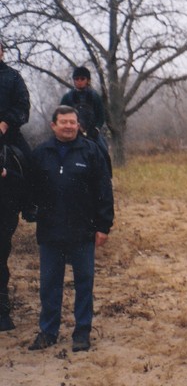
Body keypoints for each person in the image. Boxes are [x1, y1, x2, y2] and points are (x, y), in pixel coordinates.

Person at [27, 105, 113, 352]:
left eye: (72, 122)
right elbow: (30, 190)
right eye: (63, 122)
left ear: (78, 125)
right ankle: (48, 331)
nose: (68, 126)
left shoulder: (92, 152)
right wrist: (31, 210)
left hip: (83, 231)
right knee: (49, 284)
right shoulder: (40, 153)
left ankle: (82, 332)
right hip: (50, 231)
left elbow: (104, 192)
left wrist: (104, 226)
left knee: (84, 283)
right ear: (53, 125)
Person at [0, 41, 31, 332]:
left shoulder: (13, 78)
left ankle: (32, 203)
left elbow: (23, 107)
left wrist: (6, 123)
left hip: (6, 137)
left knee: (29, 160)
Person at [60, 66, 111, 174]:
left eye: (82, 79)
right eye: (76, 79)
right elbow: (60, 115)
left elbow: (101, 116)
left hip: (92, 132)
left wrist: (96, 129)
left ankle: (108, 176)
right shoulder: (67, 97)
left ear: (87, 80)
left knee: (103, 150)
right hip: (72, 131)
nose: (79, 81)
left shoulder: (95, 96)